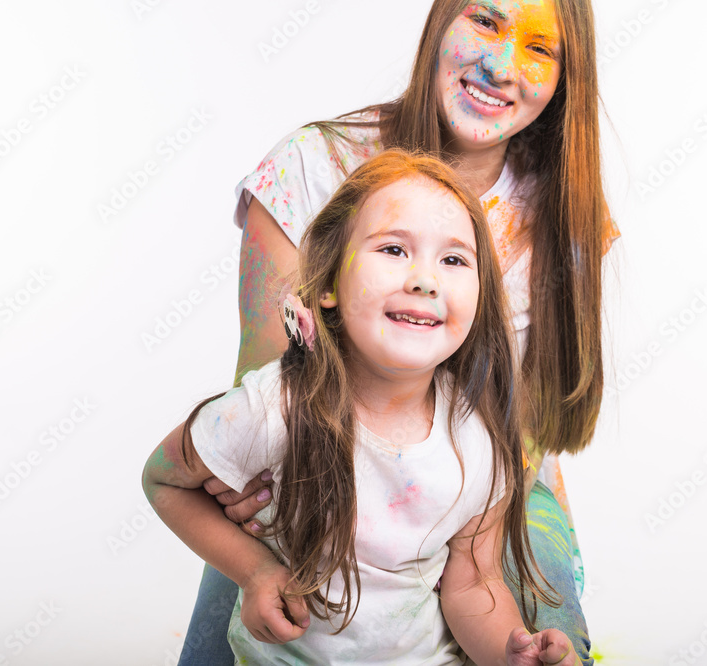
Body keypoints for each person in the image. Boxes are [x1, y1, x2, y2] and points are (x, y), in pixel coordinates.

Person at [186, 0, 621, 662]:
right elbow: (265, 396)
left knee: (547, 646)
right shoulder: (309, 168)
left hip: (487, 498)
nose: (501, 65)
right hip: (309, 476)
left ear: (567, 78)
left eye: (540, 48)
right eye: (486, 20)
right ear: (441, 20)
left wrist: (457, 543)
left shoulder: (562, 212)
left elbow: (524, 437)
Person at [144, 150, 581, 665]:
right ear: (328, 283)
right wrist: (254, 569)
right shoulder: (275, 407)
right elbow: (164, 479)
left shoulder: (479, 440)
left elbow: (473, 586)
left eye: (454, 259)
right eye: (394, 249)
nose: (425, 280)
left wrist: (513, 656)